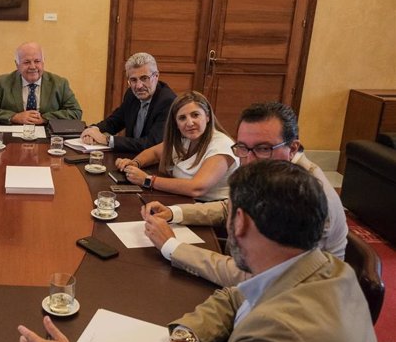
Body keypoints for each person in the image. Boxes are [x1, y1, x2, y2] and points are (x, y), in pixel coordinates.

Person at [18, 160, 385, 342]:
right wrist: (188, 338)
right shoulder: (324, 267)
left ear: (238, 222)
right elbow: (234, 295)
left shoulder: (282, 336)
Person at [142, 101, 348, 287]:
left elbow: (255, 277)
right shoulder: (265, 167)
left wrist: (172, 246)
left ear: (293, 148)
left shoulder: (308, 197)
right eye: (243, 147)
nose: (249, 160)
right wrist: (174, 212)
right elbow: (230, 206)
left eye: (264, 148)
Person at [115, 91, 238, 201]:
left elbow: (197, 188)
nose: (189, 123)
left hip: (212, 213)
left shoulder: (222, 145)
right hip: (182, 202)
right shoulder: (186, 138)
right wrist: (135, 163)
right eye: (182, 118)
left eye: (195, 115)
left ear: (207, 117)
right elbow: (155, 153)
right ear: (176, 124)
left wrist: (147, 180)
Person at [80, 52, 176, 153]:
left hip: (154, 163)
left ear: (156, 76)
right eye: (133, 80)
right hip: (130, 158)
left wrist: (107, 140)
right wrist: (93, 129)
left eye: (144, 78)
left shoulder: (168, 102)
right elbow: (116, 121)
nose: (139, 86)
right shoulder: (131, 94)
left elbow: (151, 144)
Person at [0, 42, 82, 125]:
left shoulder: (60, 83)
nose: (33, 67)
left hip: (48, 137)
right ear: (17, 65)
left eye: (37, 61)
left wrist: (45, 118)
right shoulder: (2, 82)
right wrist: (15, 117)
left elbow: (76, 112)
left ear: (43, 62)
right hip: (11, 138)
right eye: (26, 62)